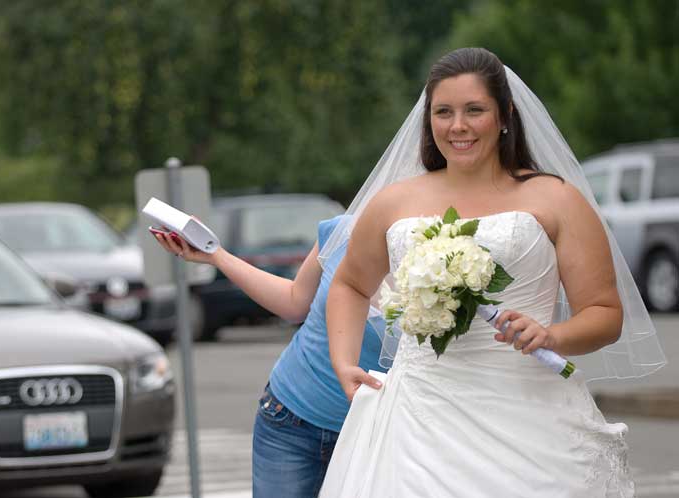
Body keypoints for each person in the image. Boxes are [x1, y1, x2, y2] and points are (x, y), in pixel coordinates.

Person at [317, 47, 665, 497]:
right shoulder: (393, 202)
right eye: (443, 112)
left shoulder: (556, 199)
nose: (457, 126)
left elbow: (604, 313)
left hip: (527, 415)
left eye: (474, 110)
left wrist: (553, 336)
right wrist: (343, 363)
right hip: (419, 419)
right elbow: (349, 283)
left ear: (505, 115)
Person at [151, 214, 386, 498]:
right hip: (289, 420)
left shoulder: (444, 256)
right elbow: (293, 302)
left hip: (377, 437)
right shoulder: (343, 230)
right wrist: (217, 256)